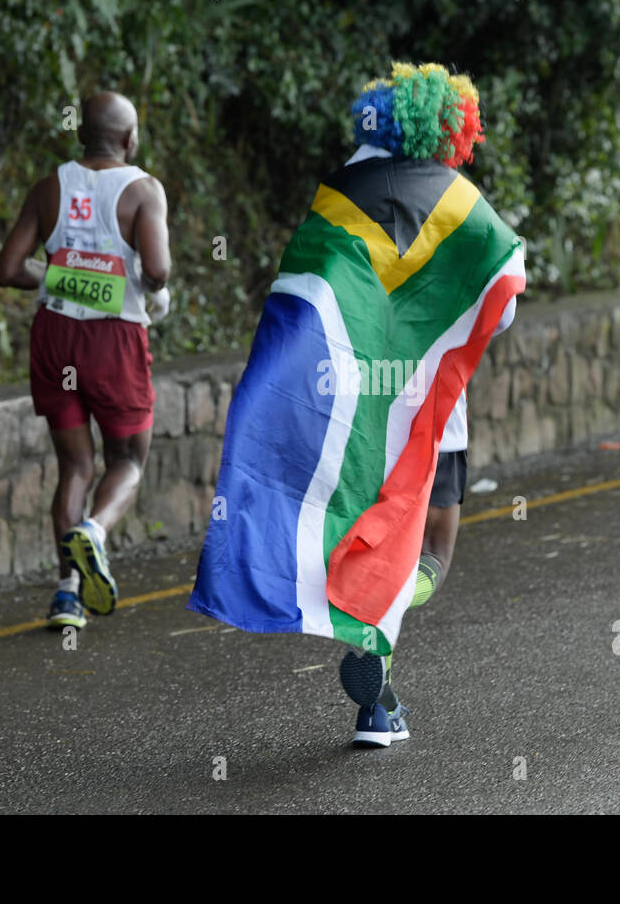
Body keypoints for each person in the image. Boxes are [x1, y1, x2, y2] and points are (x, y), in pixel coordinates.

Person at [188, 63, 524, 748]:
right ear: (451, 133)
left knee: (367, 532)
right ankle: (378, 685)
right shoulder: (458, 200)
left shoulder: (344, 187)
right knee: (429, 549)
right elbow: (503, 299)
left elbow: (310, 283)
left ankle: (378, 682)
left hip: (352, 416)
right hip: (429, 420)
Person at [0, 92, 171, 629]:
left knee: (75, 465)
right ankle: (94, 530)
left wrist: (62, 277)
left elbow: (7, 268)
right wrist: (137, 284)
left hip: (55, 335)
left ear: (82, 135)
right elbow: (158, 270)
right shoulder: (143, 190)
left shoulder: (51, 186)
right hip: (114, 342)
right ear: (128, 138)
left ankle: (67, 594)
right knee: (129, 461)